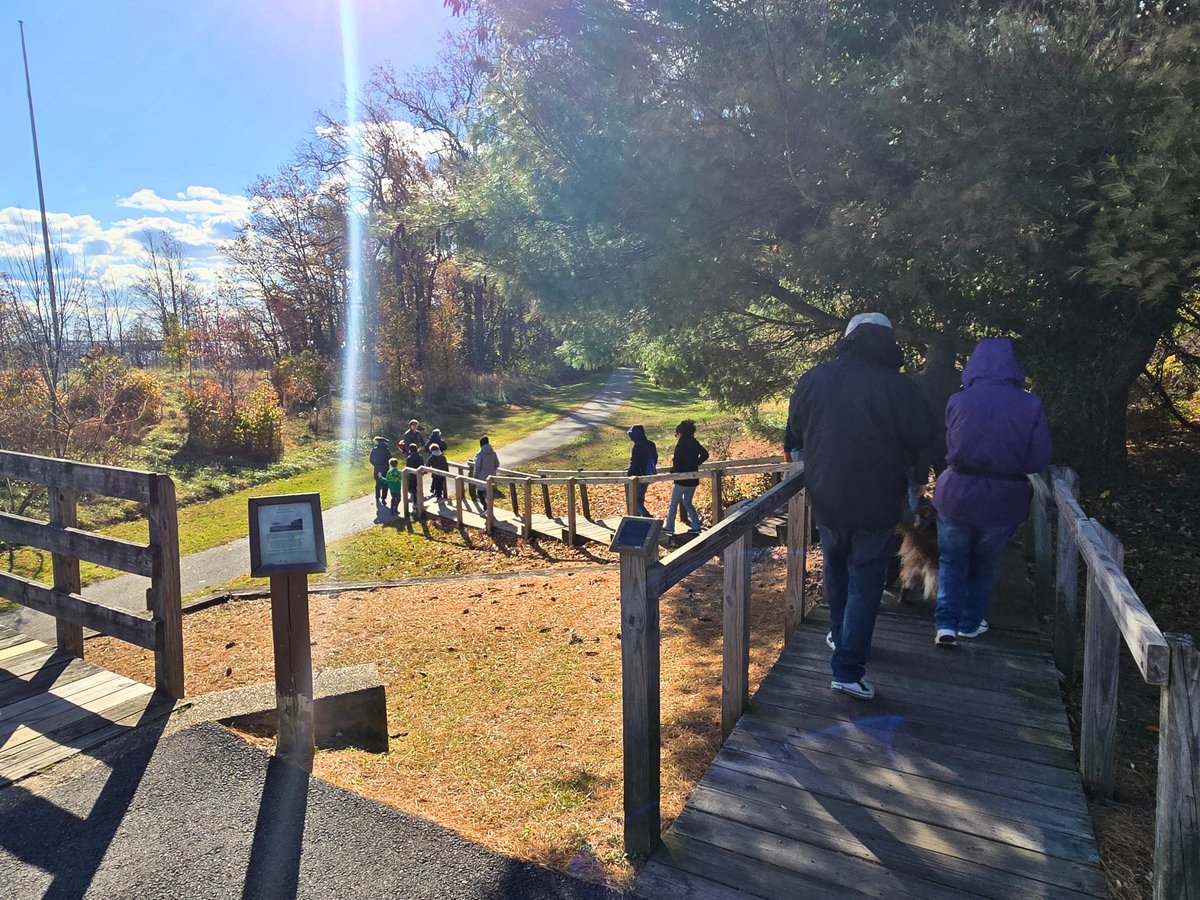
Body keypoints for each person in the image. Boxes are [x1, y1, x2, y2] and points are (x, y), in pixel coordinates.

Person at [788, 312, 933, 700]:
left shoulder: (814, 379)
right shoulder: (898, 386)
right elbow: (922, 437)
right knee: (866, 581)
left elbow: (795, 434)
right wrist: (918, 477)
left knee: (836, 571)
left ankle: (840, 637)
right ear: (887, 342)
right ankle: (848, 670)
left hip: (827, 498)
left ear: (848, 340)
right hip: (876, 500)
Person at [932, 337, 1051, 647]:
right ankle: (970, 623)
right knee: (984, 564)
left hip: (956, 492)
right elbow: (1037, 460)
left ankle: (945, 624)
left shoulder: (957, 400)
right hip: (1004, 499)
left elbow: (951, 446)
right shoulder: (1031, 404)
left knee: (952, 561)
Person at [910, 336, 961, 501]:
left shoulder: (917, 381)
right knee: (950, 495)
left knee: (914, 492)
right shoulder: (960, 382)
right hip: (951, 442)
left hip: (922, 441)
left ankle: (916, 519)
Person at [665, 420, 708, 534]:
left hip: (681, 480)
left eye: (677, 434)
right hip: (693, 479)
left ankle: (669, 526)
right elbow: (705, 454)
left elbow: (677, 463)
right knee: (688, 502)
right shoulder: (694, 442)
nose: (677, 436)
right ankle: (696, 526)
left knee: (674, 504)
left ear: (681, 433)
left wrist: (674, 471)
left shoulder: (680, 445)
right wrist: (695, 464)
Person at [627, 424, 658, 517]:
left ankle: (646, 516)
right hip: (648, 474)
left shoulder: (637, 446)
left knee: (634, 500)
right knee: (640, 497)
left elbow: (634, 462)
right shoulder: (651, 444)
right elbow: (655, 458)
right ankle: (641, 518)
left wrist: (629, 473)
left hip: (638, 475)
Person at [472, 436, 500, 508]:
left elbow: (478, 467)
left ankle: (485, 506)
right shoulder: (493, 453)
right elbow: (497, 464)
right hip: (491, 477)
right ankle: (488, 508)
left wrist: (475, 477)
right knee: (489, 493)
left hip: (482, 477)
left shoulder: (480, 454)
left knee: (480, 493)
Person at [370, 436, 392, 505]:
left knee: (378, 484)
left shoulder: (374, 449)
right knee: (385, 484)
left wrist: (375, 465)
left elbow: (371, 459)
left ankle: (377, 497)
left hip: (377, 469)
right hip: (385, 469)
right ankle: (383, 498)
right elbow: (390, 458)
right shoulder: (387, 450)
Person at [404, 441, 424, 508]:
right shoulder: (420, 457)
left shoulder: (409, 458)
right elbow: (422, 465)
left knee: (413, 489)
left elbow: (407, 467)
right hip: (419, 474)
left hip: (412, 474)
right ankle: (421, 500)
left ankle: (415, 502)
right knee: (419, 486)